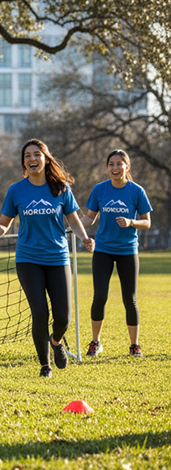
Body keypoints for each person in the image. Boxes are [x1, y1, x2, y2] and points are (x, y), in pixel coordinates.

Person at [0, 139, 94, 378]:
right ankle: (45, 365)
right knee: (40, 312)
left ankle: (56, 341)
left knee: (63, 317)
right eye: (27, 156)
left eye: (36, 154)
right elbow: (4, 223)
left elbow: (73, 219)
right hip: (28, 259)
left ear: (45, 159)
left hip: (58, 258)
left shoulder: (61, 188)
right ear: (23, 162)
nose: (32, 159)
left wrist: (85, 238)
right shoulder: (16, 190)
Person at [79, 150, 152, 357]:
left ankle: (134, 345)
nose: (115, 168)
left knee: (130, 299)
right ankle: (95, 342)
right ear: (107, 167)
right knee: (100, 296)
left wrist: (131, 222)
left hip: (127, 250)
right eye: (111, 164)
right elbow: (89, 218)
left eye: (119, 164)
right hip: (103, 250)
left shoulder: (136, 191)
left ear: (127, 167)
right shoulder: (99, 189)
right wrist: (71, 228)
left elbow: (147, 222)